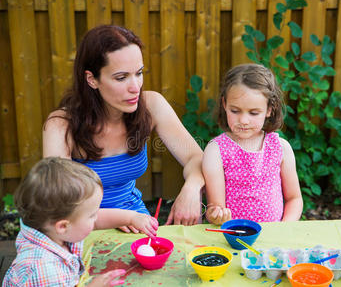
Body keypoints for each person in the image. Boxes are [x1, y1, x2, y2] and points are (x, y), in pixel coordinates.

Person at [42, 25, 204, 231]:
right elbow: (61, 207)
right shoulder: (60, 125)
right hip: (78, 227)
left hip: (135, 220)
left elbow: (195, 157)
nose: (135, 87)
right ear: (92, 79)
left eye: (139, 73)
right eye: (121, 77)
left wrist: (191, 188)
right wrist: (122, 218)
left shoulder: (151, 105)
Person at [2, 157, 158, 287]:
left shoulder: (46, 227)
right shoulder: (46, 271)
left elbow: (97, 221)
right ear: (63, 226)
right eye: (91, 215)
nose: (96, 217)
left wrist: (131, 217)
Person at [203, 63, 303, 225]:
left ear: (270, 109)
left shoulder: (280, 148)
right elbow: (215, 207)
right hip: (234, 237)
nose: (243, 120)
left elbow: (294, 199)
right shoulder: (216, 150)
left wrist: (284, 227)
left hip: (274, 237)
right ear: (224, 104)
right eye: (235, 111)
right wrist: (216, 215)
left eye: (254, 113)